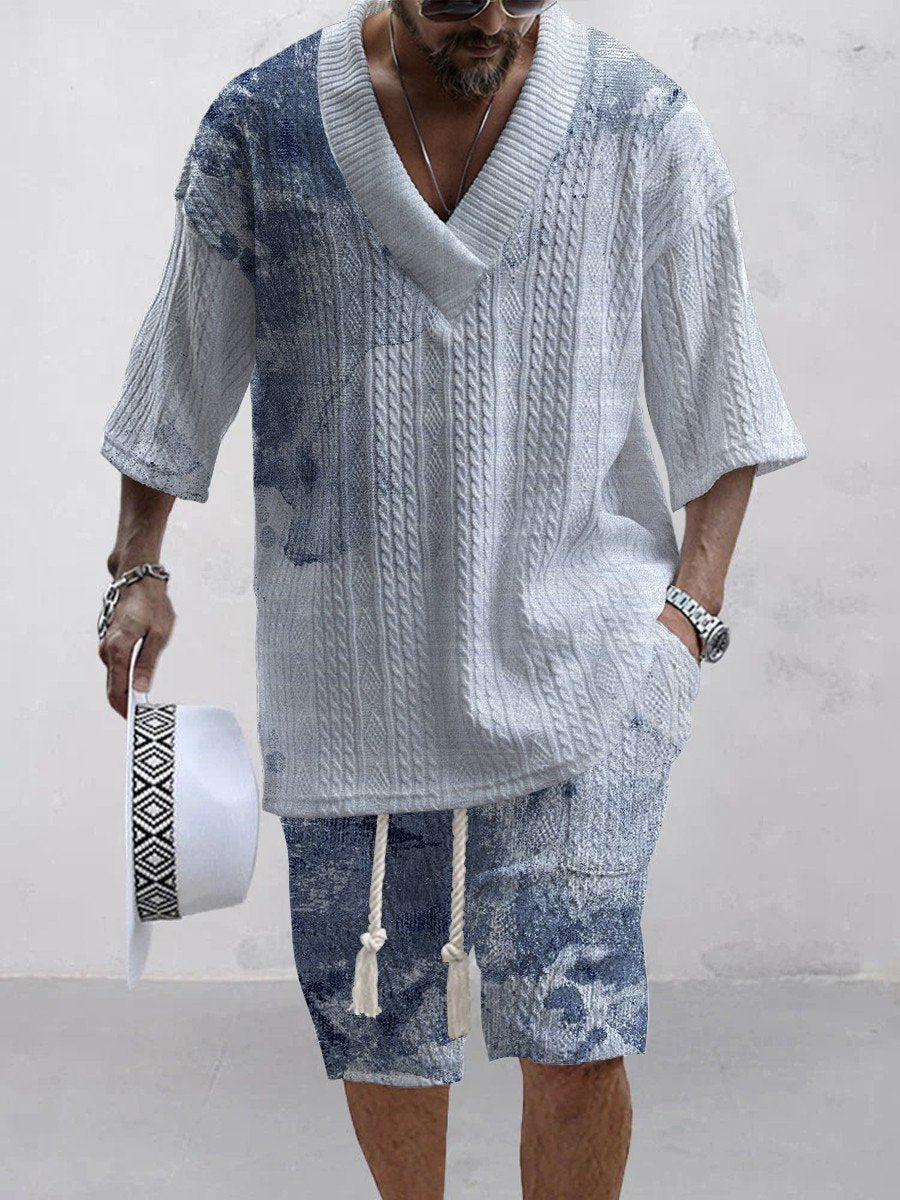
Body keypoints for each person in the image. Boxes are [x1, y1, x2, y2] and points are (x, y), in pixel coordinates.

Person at [97, 1, 808, 1195]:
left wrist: (686, 626)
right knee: (381, 1027)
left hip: (589, 680)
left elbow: (724, 394)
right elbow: (177, 366)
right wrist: (136, 567)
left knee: (579, 1035)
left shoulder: (639, 123)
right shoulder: (265, 126)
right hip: (349, 685)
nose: (485, 16)